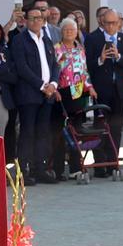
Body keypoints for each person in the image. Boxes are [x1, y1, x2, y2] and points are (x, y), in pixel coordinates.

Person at [10, 4, 61, 185]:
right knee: (27, 133)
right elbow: (22, 68)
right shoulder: (19, 40)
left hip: (47, 95)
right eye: (31, 18)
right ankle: (24, 171)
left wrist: (53, 84)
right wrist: (42, 85)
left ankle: (41, 169)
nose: (35, 21)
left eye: (39, 18)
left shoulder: (46, 40)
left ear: (43, 20)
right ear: (25, 20)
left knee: (42, 133)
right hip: (29, 95)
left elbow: (55, 64)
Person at [84, 9, 123, 175]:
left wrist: (119, 57)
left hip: (119, 91)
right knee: (100, 127)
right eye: (107, 23)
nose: (111, 26)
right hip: (101, 91)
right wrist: (101, 59)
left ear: (119, 22)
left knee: (116, 128)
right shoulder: (92, 39)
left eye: (114, 23)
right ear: (102, 23)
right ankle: (100, 165)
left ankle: (113, 163)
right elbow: (88, 65)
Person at [53, 18, 93, 179]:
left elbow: (84, 71)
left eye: (72, 30)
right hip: (61, 91)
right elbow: (52, 69)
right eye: (66, 30)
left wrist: (90, 87)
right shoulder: (56, 49)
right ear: (61, 32)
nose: (69, 32)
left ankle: (76, 167)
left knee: (76, 129)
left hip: (77, 91)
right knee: (60, 131)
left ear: (77, 32)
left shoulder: (80, 49)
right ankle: (58, 169)